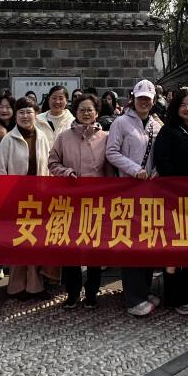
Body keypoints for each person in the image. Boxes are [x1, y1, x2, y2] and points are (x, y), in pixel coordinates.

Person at [48, 94, 111, 308]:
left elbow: (110, 170)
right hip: (70, 201)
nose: (86, 113)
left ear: (97, 113)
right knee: (71, 247)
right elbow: (52, 162)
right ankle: (72, 292)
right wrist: (66, 172)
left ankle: (92, 292)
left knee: (94, 249)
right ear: (75, 112)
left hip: (96, 202)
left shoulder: (105, 137)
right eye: (82, 109)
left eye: (89, 110)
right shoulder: (64, 137)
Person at [107, 79, 162, 317]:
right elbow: (111, 152)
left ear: (153, 100)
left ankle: (144, 289)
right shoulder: (120, 122)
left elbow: (160, 154)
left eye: (148, 99)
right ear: (133, 98)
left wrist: (156, 171)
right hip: (128, 189)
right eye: (140, 98)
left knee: (148, 241)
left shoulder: (156, 125)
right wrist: (133, 169)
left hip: (150, 190)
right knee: (130, 242)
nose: (144, 102)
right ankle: (133, 297)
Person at [151, 88, 188, 315]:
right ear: (175, 108)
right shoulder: (168, 131)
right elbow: (163, 163)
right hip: (176, 198)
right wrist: (177, 189)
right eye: (183, 105)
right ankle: (176, 296)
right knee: (175, 248)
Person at [0, 97, 54, 298]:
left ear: (36, 114)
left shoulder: (42, 137)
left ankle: (35, 286)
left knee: (36, 241)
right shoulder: (8, 139)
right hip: (16, 199)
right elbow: (1, 171)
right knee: (18, 242)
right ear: (16, 115)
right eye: (21, 112)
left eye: (29, 112)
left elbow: (48, 167)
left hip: (39, 198)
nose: (25, 116)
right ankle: (16, 286)